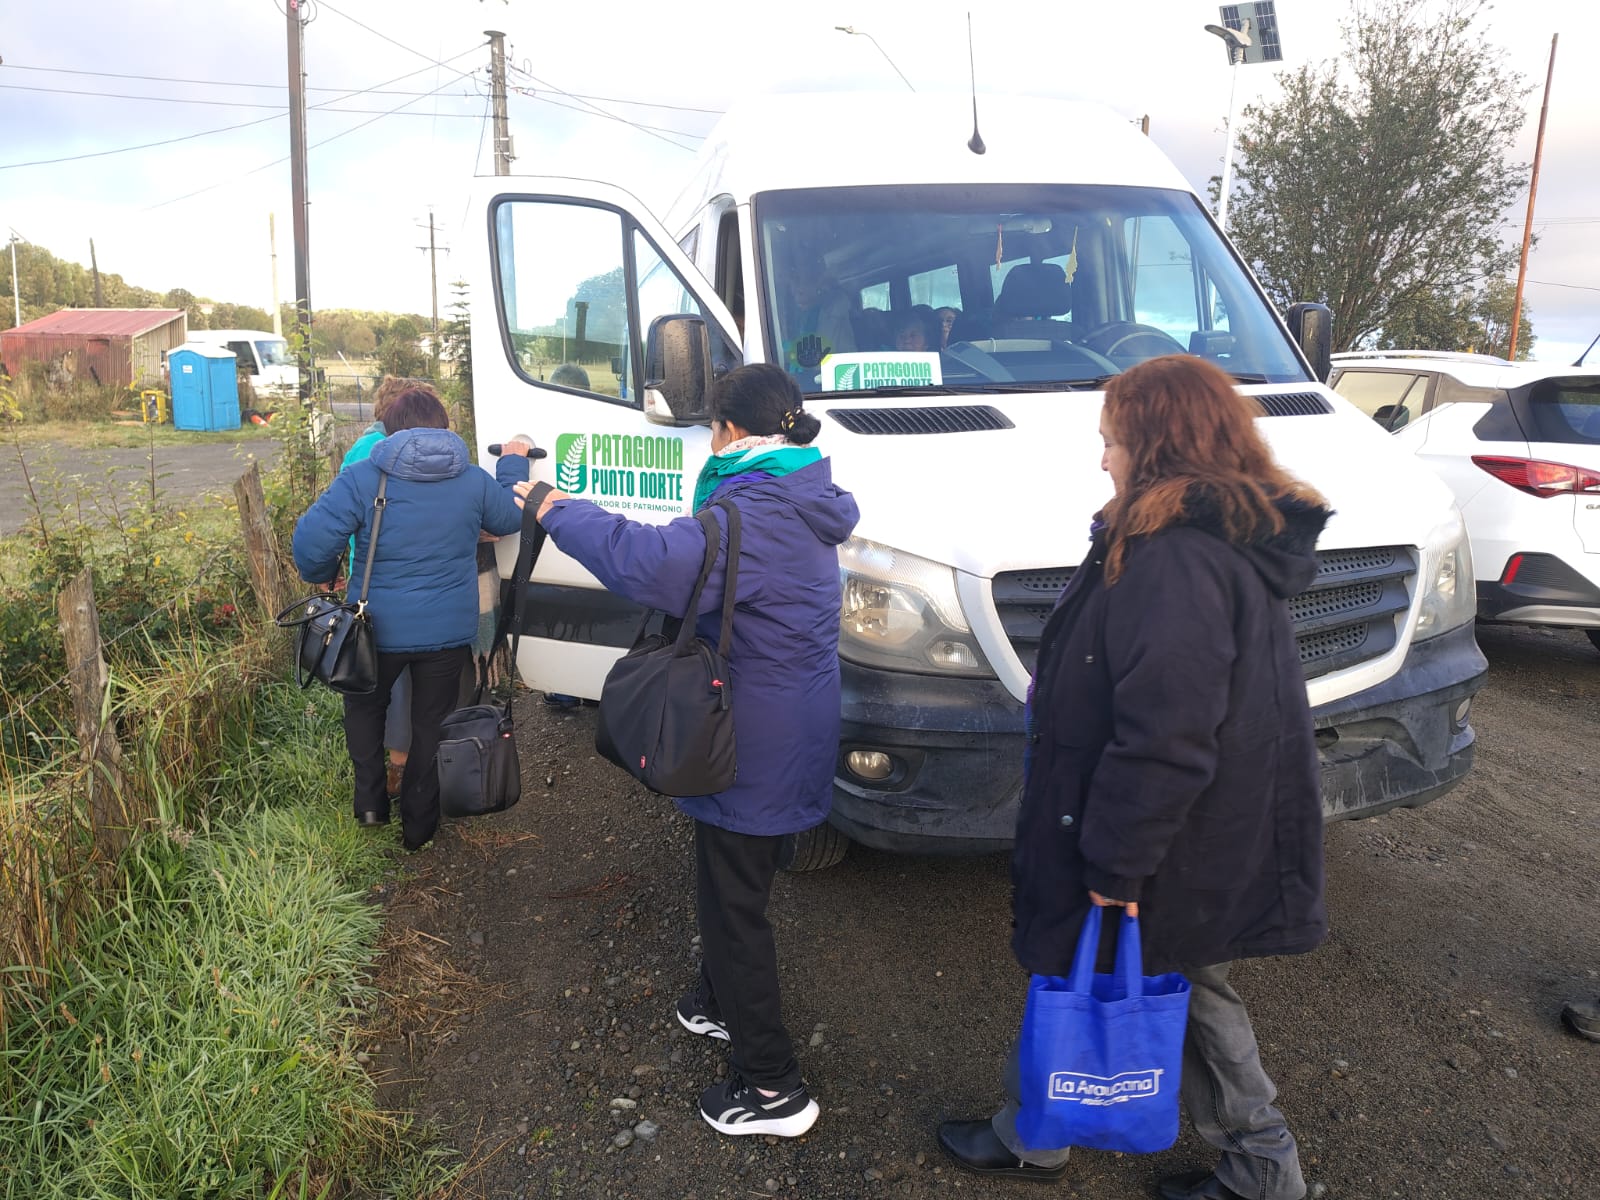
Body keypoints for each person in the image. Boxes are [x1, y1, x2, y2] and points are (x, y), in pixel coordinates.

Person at [937, 355, 1331, 1200]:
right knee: (1163, 977)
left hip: (1162, 838)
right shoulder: (1171, 539)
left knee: (1165, 978)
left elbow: (1170, 734)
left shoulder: (1177, 561)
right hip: (1173, 830)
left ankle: (1254, 1167)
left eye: (1112, 440)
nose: (1103, 457)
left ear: (1154, 445)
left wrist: (1118, 863)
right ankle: (1046, 1133)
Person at [513, 363, 859, 1138]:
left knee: (735, 909)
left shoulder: (752, 513)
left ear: (731, 432)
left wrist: (554, 506)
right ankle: (715, 1002)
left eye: (711, 428)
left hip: (753, 742)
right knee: (740, 883)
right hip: (789, 726)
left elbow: (651, 562)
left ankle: (774, 1089)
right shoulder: (798, 497)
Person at [292, 384, 535, 850]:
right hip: (446, 634)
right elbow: (509, 519)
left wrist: (323, 575)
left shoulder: (364, 477)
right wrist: (511, 464)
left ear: (391, 430)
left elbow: (309, 544)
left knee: (364, 708)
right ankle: (419, 825)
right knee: (432, 723)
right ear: (444, 428)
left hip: (374, 630)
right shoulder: (471, 479)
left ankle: (370, 803)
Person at [340, 374, 423, 802]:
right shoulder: (389, 451)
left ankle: (372, 787)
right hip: (392, 576)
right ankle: (399, 768)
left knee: (370, 680)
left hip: (364, 575)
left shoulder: (358, 448)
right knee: (402, 682)